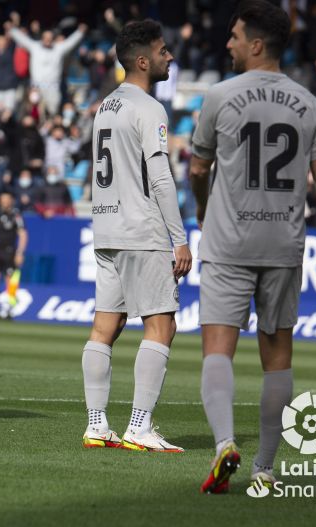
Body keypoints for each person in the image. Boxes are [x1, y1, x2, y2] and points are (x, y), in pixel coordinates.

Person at [190, 1, 316, 494]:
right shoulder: (310, 104)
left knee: (217, 350)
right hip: (284, 244)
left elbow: (199, 169)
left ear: (257, 44)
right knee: (278, 357)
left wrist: (203, 209)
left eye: (236, 36)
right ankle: (264, 467)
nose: (229, 44)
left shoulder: (219, 96)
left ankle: (225, 444)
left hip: (227, 241)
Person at [81, 20, 191, 453]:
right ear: (143, 60)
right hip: (141, 231)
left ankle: (96, 424)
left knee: (104, 326)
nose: (170, 57)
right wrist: (178, 238)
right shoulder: (149, 108)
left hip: (106, 228)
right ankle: (139, 427)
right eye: (163, 51)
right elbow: (161, 179)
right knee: (162, 324)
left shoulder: (106, 105)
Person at [0, 191, 28, 319]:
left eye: (6, 199)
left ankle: (9, 309)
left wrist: (20, 252)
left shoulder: (16, 215)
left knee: (10, 282)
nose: (3, 201)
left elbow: (23, 234)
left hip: (10, 252)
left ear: (11, 200)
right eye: (1, 199)